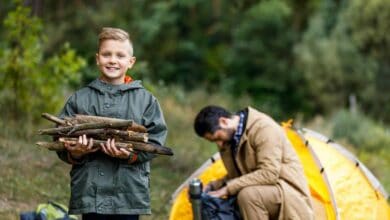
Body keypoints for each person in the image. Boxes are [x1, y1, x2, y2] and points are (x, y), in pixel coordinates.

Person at [56, 27, 168, 220]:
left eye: (120, 55)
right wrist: (75, 152)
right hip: (90, 192)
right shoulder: (79, 99)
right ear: (98, 58)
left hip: (128, 194)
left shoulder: (146, 101)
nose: (113, 60)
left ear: (131, 62)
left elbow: (155, 140)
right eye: (107, 54)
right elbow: (59, 138)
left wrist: (132, 156)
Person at [194, 105, 314, 220]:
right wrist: (213, 187)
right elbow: (239, 175)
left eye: (217, 138)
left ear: (224, 121)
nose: (219, 144)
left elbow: (269, 173)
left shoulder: (264, 129)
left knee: (248, 195)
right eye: (214, 141)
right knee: (222, 200)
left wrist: (228, 189)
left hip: (288, 193)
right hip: (264, 191)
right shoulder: (230, 140)